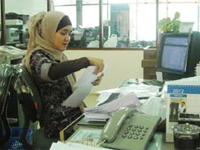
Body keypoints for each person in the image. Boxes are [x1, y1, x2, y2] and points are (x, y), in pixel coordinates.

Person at [22, 11, 104, 138]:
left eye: (69, 33)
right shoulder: (36, 56)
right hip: (59, 125)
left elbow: (66, 89)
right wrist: (86, 61)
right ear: (48, 32)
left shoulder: (59, 55)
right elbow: (50, 72)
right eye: (63, 33)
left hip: (73, 116)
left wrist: (89, 81)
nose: (68, 38)